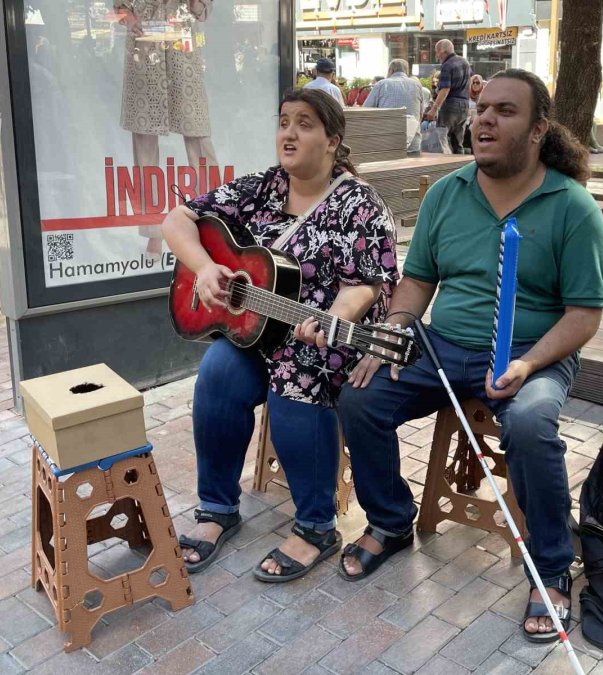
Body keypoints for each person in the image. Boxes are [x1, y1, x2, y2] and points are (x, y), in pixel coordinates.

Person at [337, 69, 603, 643]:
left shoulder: (573, 207)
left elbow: (584, 314)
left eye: (504, 111)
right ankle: (389, 521)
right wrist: (395, 329)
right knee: (359, 394)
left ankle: (551, 566)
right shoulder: (447, 193)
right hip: (445, 345)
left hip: (532, 351)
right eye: (482, 107)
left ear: (538, 131)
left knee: (532, 423)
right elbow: (417, 280)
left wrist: (531, 364)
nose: (484, 118)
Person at [162, 89, 398, 581]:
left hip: (325, 339)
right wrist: (205, 269)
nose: (289, 133)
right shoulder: (264, 187)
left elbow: (369, 283)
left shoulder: (359, 203)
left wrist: (330, 319)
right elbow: (176, 220)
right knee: (217, 375)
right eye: (284, 122)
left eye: (305, 124)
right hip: (258, 330)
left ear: (333, 140)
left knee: (296, 378)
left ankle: (316, 526)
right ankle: (218, 507)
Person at [115, 0, 218, 262]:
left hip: (182, 52)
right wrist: (132, 22)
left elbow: (202, 10)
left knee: (199, 139)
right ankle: (153, 231)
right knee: (145, 145)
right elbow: (120, 7)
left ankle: (214, 222)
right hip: (145, 54)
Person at [363, 59, 429, 153]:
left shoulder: (382, 84)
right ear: (406, 71)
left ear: (390, 70)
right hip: (413, 143)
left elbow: (366, 110)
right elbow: (420, 114)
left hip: (387, 144)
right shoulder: (417, 85)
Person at [424, 39, 471, 154]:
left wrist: (434, 109)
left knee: (442, 141)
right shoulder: (465, 62)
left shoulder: (447, 65)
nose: (437, 55)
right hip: (464, 105)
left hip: (450, 105)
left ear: (443, 51)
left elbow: (445, 89)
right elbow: (468, 85)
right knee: (458, 143)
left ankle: (444, 168)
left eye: (437, 51)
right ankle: (459, 168)